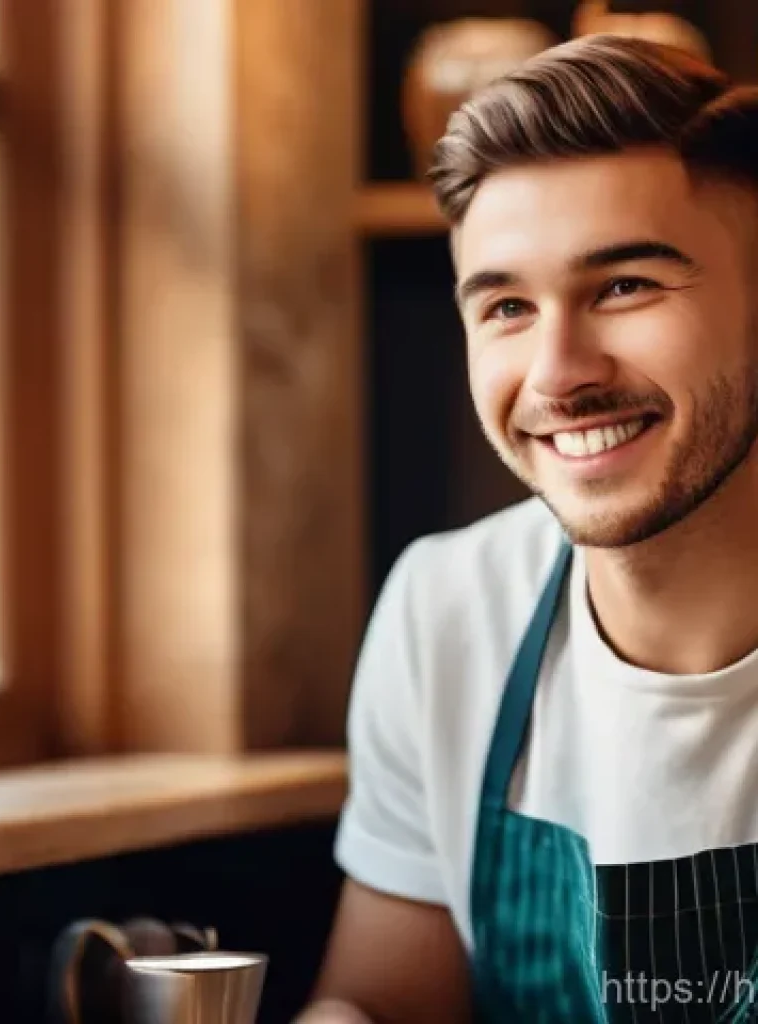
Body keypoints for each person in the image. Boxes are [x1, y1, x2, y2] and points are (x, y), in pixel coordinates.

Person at [298, 34, 758, 1023]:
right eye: (506, 306)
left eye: (625, 285)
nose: (558, 373)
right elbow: (379, 1004)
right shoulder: (445, 611)